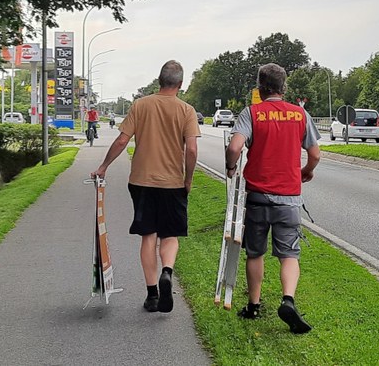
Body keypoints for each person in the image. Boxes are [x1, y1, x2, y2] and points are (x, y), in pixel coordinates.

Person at [91, 60, 200, 313]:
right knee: (170, 235)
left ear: (159, 80)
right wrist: (188, 179)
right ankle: (167, 272)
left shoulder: (140, 105)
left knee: (148, 236)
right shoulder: (186, 110)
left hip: (141, 181)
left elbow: (121, 140)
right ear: (180, 85)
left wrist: (104, 166)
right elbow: (192, 149)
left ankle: (152, 295)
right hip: (173, 183)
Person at [225, 63, 320, 334]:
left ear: (260, 87)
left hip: (257, 196)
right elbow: (314, 154)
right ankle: (288, 299)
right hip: (288, 198)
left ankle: (253, 306)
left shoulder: (251, 113)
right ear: (283, 87)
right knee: (289, 253)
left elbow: (234, 147)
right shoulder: (300, 114)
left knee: (255, 252)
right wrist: (306, 171)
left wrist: (231, 167)